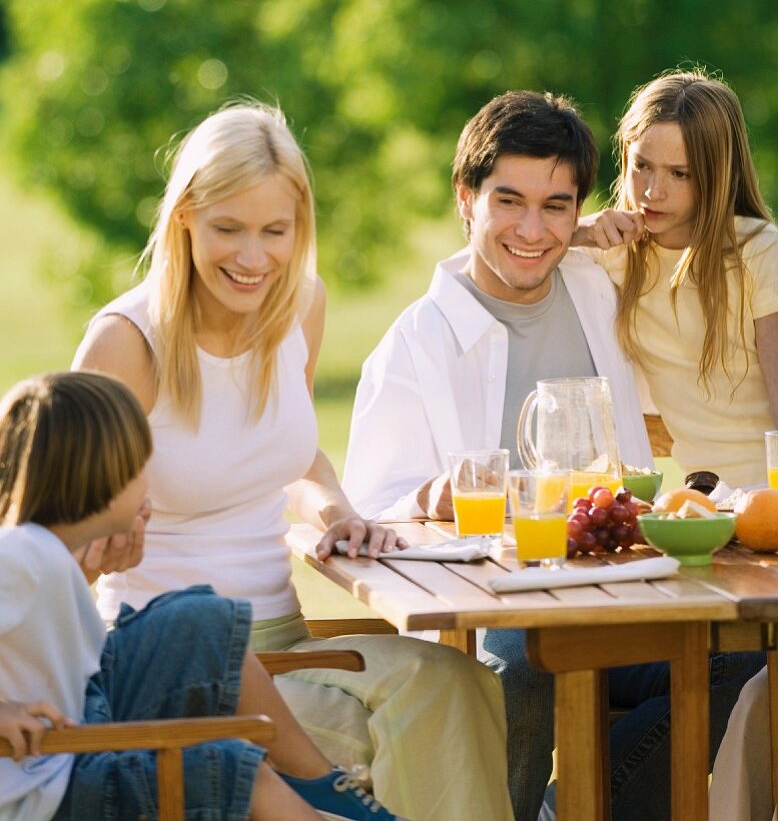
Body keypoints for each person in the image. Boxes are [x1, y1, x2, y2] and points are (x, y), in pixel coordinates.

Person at [72, 102, 513, 821]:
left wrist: (339, 512)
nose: (253, 259)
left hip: (284, 638)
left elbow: (293, 450)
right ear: (184, 216)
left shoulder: (299, 308)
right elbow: (48, 543)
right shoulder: (128, 344)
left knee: (458, 681)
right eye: (228, 229)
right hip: (166, 661)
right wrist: (105, 538)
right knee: (400, 722)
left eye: (275, 232)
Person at [342, 88, 764, 821]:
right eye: (509, 201)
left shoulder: (598, 282)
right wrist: (428, 499)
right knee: (525, 672)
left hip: (627, 592)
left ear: (578, 212)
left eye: (556, 206)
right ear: (465, 198)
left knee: (744, 664)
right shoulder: (416, 347)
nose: (532, 231)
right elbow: (374, 510)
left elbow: (700, 265)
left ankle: (570, 809)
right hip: (506, 603)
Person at [0, 370, 407, 821]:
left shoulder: (46, 554)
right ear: (103, 473)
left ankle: (323, 786)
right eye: (140, 467)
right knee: (230, 767)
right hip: (56, 784)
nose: (149, 487)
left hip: (83, 728)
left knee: (196, 620)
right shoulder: (20, 555)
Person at [575, 68, 778, 487]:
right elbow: (497, 263)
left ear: (716, 175)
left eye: (679, 173)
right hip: (701, 505)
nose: (653, 191)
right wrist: (578, 231)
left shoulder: (761, 253)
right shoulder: (615, 254)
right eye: (642, 165)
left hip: (767, 502)